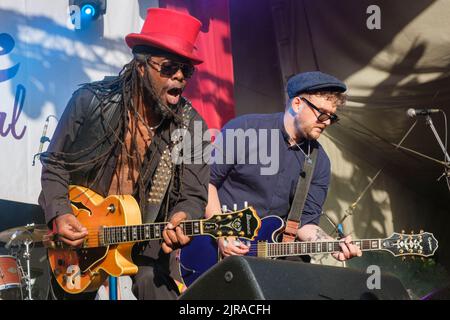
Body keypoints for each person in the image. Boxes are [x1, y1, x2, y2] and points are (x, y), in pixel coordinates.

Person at [39, 8, 209, 300]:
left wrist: (185, 216)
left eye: (186, 70)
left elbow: (193, 195)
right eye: (169, 67)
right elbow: (55, 164)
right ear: (141, 66)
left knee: (156, 286)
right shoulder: (91, 101)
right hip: (81, 238)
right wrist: (61, 213)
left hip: (144, 242)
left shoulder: (191, 126)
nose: (180, 76)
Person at [206, 71, 362, 261]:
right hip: (214, 249)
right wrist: (222, 232)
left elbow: (306, 223)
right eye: (322, 114)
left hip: (268, 258)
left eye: (332, 117)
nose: (327, 122)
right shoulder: (244, 129)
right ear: (297, 104)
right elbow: (207, 182)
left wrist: (332, 245)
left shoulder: (320, 161)